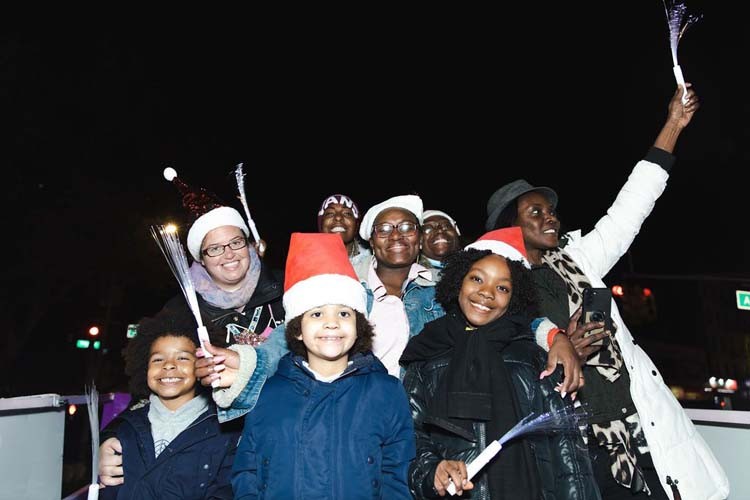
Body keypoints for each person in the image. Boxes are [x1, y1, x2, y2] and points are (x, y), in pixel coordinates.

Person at [485, 84, 729, 499]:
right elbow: (505, 372)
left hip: (638, 429)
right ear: (509, 225)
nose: (552, 219)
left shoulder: (580, 260)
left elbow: (633, 205)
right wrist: (564, 351)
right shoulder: (498, 288)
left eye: (551, 210)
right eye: (536, 212)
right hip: (579, 447)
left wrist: (672, 125)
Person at [197, 195, 586, 422]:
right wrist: (245, 364)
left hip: (438, 428)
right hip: (356, 423)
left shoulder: (444, 292)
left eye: (406, 228)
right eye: (384, 229)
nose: (396, 235)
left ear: (419, 239)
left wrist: (554, 335)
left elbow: (504, 309)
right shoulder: (347, 295)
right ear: (372, 242)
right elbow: (292, 340)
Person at [98, 169, 285, 487]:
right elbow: (156, 381)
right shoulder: (183, 310)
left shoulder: (288, 290)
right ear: (200, 258)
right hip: (219, 453)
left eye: (235, 242)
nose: (228, 254)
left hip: (287, 435)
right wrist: (116, 437)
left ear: (250, 244)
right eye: (214, 248)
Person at [401, 227, 599, 500]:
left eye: (502, 287)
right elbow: (409, 439)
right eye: (477, 279)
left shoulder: (535, 358)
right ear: (458, 281)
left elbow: (568, 453)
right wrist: (432, 470)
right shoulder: (426, 356)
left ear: (513, 299)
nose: (487, 293)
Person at [231, 232, 415, 499]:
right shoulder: (267, 393)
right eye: (317, 314)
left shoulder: (385, 391)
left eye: (344, 313)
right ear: (297, 329)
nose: (332, 323)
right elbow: (248, 471)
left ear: (358, 325)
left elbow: (397, 472)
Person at [99, 314, 240, 499]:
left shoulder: (225, 430)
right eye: (158, 359)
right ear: (144, 367)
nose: (169, 365)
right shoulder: (126, 429)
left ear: (203, 364)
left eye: (182, 358)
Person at [317, 193, 371, 266]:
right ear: (321, 225)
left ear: (357, 225)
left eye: (347, 213)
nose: (338, 217)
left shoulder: (372, 263)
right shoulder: (306, 260)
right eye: (330, 213)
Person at [418, 209, 462, 279]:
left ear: (457, 232)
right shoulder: (411, 277)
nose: (439, 230)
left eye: (447, 226)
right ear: (419, 241)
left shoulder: (474, 267)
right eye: (428, 229)